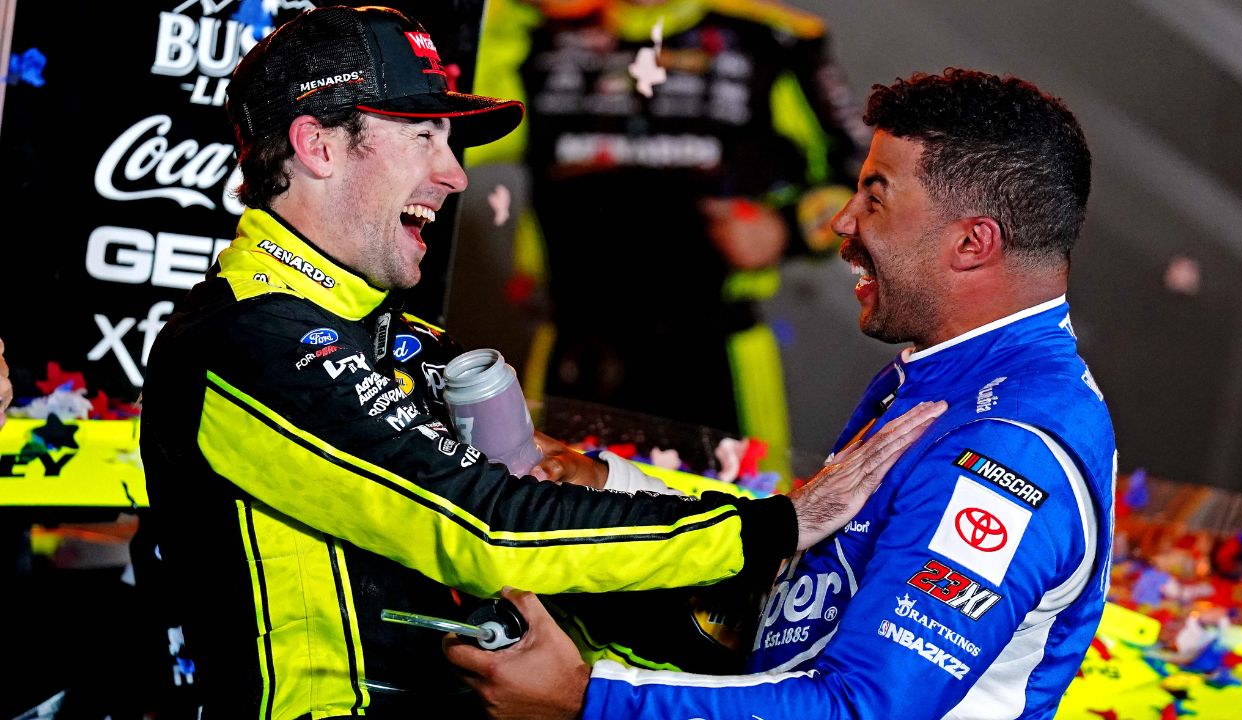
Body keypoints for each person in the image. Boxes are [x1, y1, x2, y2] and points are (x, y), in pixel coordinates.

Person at [139, 6, 942, 717]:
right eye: (424, 136)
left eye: (449, 141)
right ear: (317, 145)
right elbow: (490, 525)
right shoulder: (244, 342)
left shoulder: (397, 336)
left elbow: (541, 497)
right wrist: (776, 526)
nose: (453, 175)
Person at [446, 68, 1117, 720]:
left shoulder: (1005, 449)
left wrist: (585, 700)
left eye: (875, 197)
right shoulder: (952, 375)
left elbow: (863, 711)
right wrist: (608, 481)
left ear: (973, 243)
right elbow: (817, 547)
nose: (842, 223)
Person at [468, 0, 865, 473]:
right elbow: (457, 134)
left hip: (714, 350)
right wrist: (515, 11)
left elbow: (862, 178)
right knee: (553, 523)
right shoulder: (537, 33)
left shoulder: (770, 40)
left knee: (737, 524)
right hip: (576, 343)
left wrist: (788, 230)